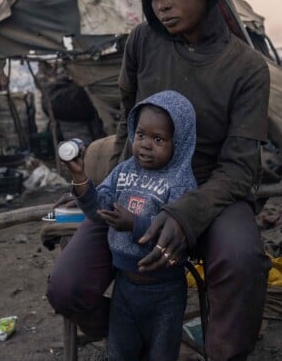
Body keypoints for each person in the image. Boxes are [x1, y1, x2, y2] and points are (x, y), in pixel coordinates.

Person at [47, 0, 272, 360]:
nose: (162, 4)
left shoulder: (246, 68)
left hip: (210, 190)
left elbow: (240, 169)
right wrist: (105, 189)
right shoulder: (143, 42)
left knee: (242, 261)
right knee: (67, 288)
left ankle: (224, 354)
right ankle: (139, 332)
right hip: (138, 182)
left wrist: (184, 214)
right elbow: (126, 123)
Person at [63, 90, 198, 361]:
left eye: (158, 139)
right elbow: (99, 210)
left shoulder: (181, 183)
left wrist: (134, 224)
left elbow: (176, 233)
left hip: (165, 291)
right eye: (141, 135)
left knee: (161, 354)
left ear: (179, 142)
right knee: (119, 352)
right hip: (124, 285)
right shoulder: (124, 170)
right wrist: (80, 180)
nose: (146, 145)